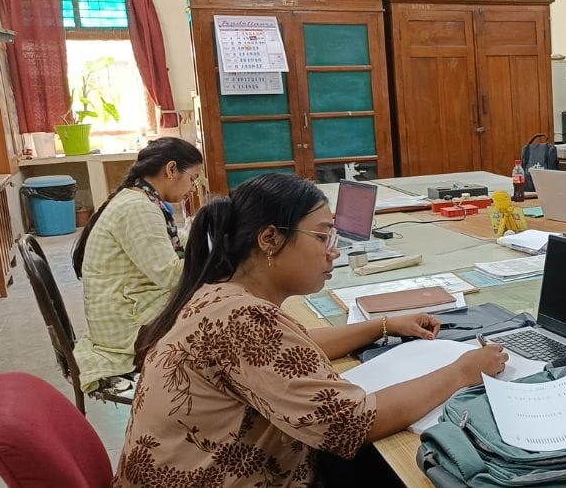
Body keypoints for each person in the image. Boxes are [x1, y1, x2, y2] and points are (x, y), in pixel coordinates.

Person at [113, 173, 507, 486]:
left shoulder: (223, 294)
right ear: (270, 239)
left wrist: (382, 325)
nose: (333, 250)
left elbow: (295, 346)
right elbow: (350, 424)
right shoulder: (244, 318)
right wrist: (462, 371)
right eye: (321, 236)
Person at [71, 137, 203, 394]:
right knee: (217, 309)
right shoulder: (138, 208)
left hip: (124, 310)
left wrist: (203, 239)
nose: (193, 187)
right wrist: (213, 256)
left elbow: (169, 241)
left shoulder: (141, 199)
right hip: (125, 327)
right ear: (171, 169)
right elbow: (170, 275)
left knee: (213, 301)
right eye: (193, 178)